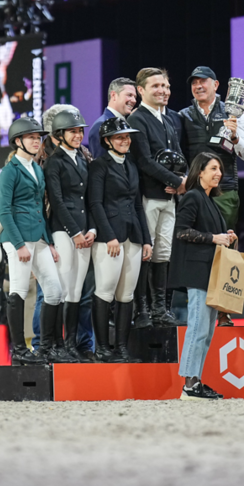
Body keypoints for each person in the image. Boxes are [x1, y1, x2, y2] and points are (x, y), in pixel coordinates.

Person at [0, 116, 67, 366]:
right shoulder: (10, 171)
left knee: (55, 290)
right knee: (18, 290)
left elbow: (40, 208)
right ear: (18, 141)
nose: (37, 141)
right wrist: (18, 245)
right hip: (17, 238)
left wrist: (49, 242)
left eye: (38, 138)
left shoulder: (37, 169)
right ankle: (18, 350)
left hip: (38, 237)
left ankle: (46, 347)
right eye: (31, 138)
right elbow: (4, 211)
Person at [88, 116, 153, 362]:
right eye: (120, 137)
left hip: (133, 234)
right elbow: (95, 203)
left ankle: (122, 348)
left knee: (126, 294)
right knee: (105, 290)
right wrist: (109, 237)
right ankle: (103, 348)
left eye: (127, 137)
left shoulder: (132, 165)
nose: (125, 141)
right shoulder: (99, 166)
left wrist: (146, 240)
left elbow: (137, 205)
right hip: (110, 237)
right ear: (107, 141)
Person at [171, 152, 235, 400]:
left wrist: (226, 236)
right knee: (198, 329)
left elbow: (208, 234)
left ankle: (195, 380)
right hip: (197, 272)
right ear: (200, 172)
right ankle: (189, 384)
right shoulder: (193, 197)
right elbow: (181, 231)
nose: (219, 173)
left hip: (209, 272)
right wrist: (213, 237)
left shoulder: (208, 200)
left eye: (220, 169)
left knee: (206, 332)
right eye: (213, 169)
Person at [126, 67, 186, 329]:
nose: (163, 91)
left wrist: (182, 179)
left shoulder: (169, 120)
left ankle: (160, 309)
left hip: (169, 198)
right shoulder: (137, 119)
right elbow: (144, 161)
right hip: (148, 198)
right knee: (146, 253)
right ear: (141, 90)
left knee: (163, 253)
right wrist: (177, 181)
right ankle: (142, 310)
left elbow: (179, 157)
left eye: (166, 86)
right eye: (156, 86)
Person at [43, 108, 96, 362]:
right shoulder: (54, 162)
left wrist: (92, 229)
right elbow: (57, 200)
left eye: (80, 131)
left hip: (85, 230)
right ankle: (56, 344)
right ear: (59, 135)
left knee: (76, 290)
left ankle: (71, 344)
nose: (78, 136)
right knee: (63, 289)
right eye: (72, 132)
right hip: (64, 230)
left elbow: (92, 198)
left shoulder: (83, 159)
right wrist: (74, 232)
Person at [177, 66, 244, 228]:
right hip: (194, 191)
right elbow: (180, 154)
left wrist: (234, 137)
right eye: (194, 83)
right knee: (197, 240)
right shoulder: (183, 115)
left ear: (216, 85)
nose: (198, 86)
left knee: (225, 240)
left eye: (203, 81)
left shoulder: (233, 113)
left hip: (225, 190)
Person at [88, 77, 137, 158]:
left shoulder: (128, 124)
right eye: (129, 95)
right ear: (113, 95)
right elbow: (101, 163)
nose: (134, 100)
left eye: (135, 97)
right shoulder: (101, 125)